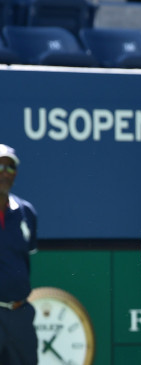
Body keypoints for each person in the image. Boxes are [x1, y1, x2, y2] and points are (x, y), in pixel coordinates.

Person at [0, 144, 38, 365]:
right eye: (1, 166)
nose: (5, 173)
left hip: (20, 315)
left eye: (11, 168)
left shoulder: (27, 213)